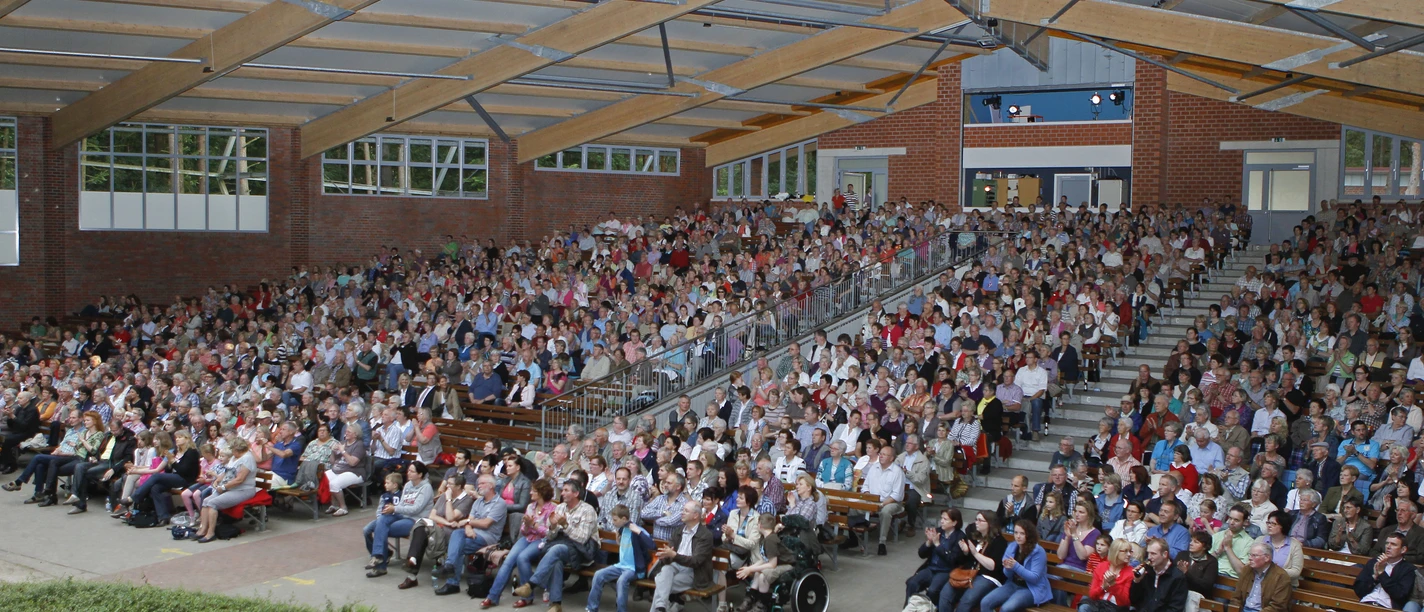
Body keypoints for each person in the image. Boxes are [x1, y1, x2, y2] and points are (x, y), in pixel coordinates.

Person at [508, 480, 599, 610]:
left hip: (582, 551)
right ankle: (556, 604)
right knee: (556, 560)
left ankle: (531, 585)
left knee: (556, 550)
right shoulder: (560, 507)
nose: (562, 493)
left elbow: (582, 539)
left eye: (566, 490)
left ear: (576, 493)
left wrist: (566, 525)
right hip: (563, 546)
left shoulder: (587, 510)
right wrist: (554, 526)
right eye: (562, 490)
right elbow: (550, 536)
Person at [480, 479, 556, 604]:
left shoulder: (552, 509)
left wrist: (534, 525)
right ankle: (492, 596)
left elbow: (549, 533)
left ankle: (527, 597)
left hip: (542, 541)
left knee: (522, 557)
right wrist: (526, 525)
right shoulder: (531, 507)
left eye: (534, 491)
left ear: (541, 493)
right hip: (527, 538)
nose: (530, 493)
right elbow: (524, 531)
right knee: (508, 560)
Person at [398, 474, 474, 589]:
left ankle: (412, 571)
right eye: (447, 483)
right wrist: (447, 522)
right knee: (421, 529)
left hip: (451, 533)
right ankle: (412, 564)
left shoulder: (466, 500)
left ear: (458, 486)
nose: (447, 486)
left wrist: (448, 499)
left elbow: (451, 517)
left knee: (422, 533)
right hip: (438, 527)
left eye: (450, 484)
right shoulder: (443, 496)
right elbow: (432, 515)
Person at [364, 461, 434, 576]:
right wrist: (391, 510)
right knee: (380, 520)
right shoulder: (408, 485)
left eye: (412, 471)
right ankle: (378, 556)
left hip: (415, 520)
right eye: (408, 471)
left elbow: (416, 509)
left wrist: (395, 509)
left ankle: (379, 562)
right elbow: (402, 504)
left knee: (380, 528)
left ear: (420, 474)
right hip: (401, 515)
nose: (408, 473)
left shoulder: (426, 488)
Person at [586, 504, 655, 612]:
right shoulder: (622, 529)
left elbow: (652, 545)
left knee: (622, 581)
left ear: (623, 519)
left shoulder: (636, 529)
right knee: (598, 575)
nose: (613, 522)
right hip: (621, 565)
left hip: (634, 568)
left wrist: (639, 531)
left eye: (615, 520)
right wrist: (618, 538)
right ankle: (591, 608)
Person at [650, 500, 715, 612]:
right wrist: (665, 555)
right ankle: (662, 606)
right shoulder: (678, 531)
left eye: (686, 511)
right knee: (666, 569)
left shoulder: (705, 535)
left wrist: (674, 555)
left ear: (695, 515)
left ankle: (661, 607)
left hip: (694, 572)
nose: (682, 513)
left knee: (662, 583)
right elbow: (670, 552)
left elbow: (696, 561)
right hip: (675, 567)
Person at [979, 518, 1050, 612]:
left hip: (1031, 589)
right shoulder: (1012, 547)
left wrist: (1016, 566)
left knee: (1006, 609)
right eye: (1016, 533)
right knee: (985, 602)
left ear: (1029, 535)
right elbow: (1008, 575)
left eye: (1022, 533)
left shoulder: (1038, 551)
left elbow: (1035, 577)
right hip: (1013, 584)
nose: (1018, 536)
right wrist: (1008, 568)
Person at [735, 513, 796, 612]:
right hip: (777, 563)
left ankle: (762, 605)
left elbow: (772, 564)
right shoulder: (765, 538)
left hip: (787, 564)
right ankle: (750, 598)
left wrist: (750, 569)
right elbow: (764, 559)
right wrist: (751, 568)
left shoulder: (770, 540)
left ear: (760, 525)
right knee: (757, 573)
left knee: (763, 574)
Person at [905, 508, 963, 607]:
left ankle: (929, 609)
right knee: (912, 583)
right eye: (941, 518)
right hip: (931, 568)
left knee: (933, 590)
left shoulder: (960, 537)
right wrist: (929, 542)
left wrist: (937, 544)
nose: (942, 521)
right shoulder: (938, 532)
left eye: (945, 519)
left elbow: (952, 559)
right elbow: (921, 554)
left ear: (954, 522)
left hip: (945, 571)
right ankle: (909, 608)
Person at [861, 444, 906, 556]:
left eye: (884, 455)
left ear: (891, 458)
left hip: (891, 502)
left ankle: (882, 542)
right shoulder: (873, 468)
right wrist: (869, 499)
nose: (881, 456)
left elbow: (896, 495)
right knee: (854, 506)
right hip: (872, 500)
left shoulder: (897, 472)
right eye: (880, 454)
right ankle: (854, 538)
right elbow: (865, 487)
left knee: (885, 512)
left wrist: (880, 504)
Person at [1353, 532, 1416, 611]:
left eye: (1393, 544)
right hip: (1365, 604)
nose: (1388, 547)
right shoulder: (1373, 562)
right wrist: (1374, 578)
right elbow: (1359, 591)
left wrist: (1382, 574)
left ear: (1403, 549)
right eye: (1387, 543)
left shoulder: (1408, 569)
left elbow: (1400, 594)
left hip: (1386, 608)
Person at [1227, 542, 1292, 612]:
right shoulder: (1247, 570)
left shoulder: (1281, 576)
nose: (1250, 558)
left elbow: (1277, 606)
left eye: (1254, 555)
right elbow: (1236, 597)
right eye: (1250, 555)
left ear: (1267, 558)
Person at [1129, 537, 1188, 612]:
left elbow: (1175, 608)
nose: (1149, 557)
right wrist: (1136, 581)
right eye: (1148, 553)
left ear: (1165, 554)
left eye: (1153, 554)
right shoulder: (1146, 571)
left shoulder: (1177, 577)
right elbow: (1133, 601)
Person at [1081, 538, 1134, 612]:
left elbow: (1125, 602)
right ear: (1115, 552)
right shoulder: (1101, 566)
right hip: (1098, 603)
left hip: (1115, 608)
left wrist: (1113, 585)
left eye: (1130, 551)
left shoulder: (1130, 572)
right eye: (1125, 551)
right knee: (1084, 607)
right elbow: (1092, 594)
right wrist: (1103, 587)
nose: (1129, 554)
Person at [1174, 531, 1218, 608]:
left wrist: (1186, 573)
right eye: (1191, 540)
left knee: (1191, 597)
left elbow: (1206, 585)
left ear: (1205, 547)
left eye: (1196, 542)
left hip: (1199, 595)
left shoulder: (1211, 561)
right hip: (1179, 591)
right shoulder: (1182, 555)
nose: (1191, 543)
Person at [1258, 510, 1303, 585]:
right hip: (1260, 582)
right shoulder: (1260, 540)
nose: (1269, 525)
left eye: (1273, 524)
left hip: (1284, 585)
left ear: (1283, 526)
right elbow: (1249, 562)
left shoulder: (1295, 545)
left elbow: (1296, 572)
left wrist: (1274, 572)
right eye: (1268, 522)